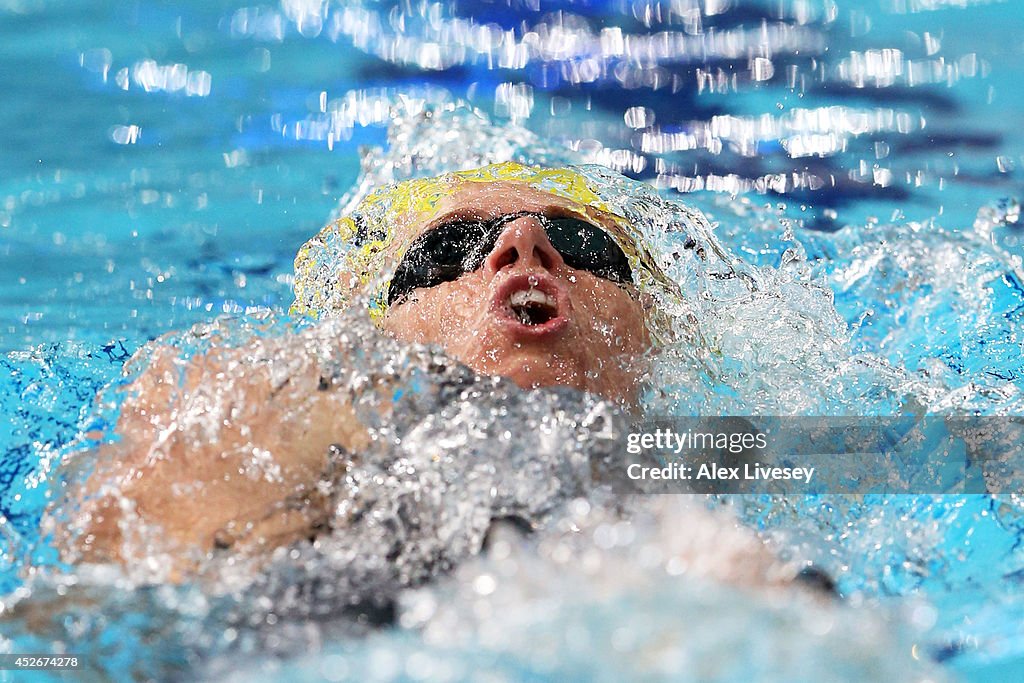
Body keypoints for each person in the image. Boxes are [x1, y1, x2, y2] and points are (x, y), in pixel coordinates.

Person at [47, 163, 675, 578]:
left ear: (657, 328)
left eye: (585, 245)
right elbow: (97, 607)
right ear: (374, 326)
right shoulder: (270, 415)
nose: (526, 240)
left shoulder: (697, 457)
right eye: (447, 250)